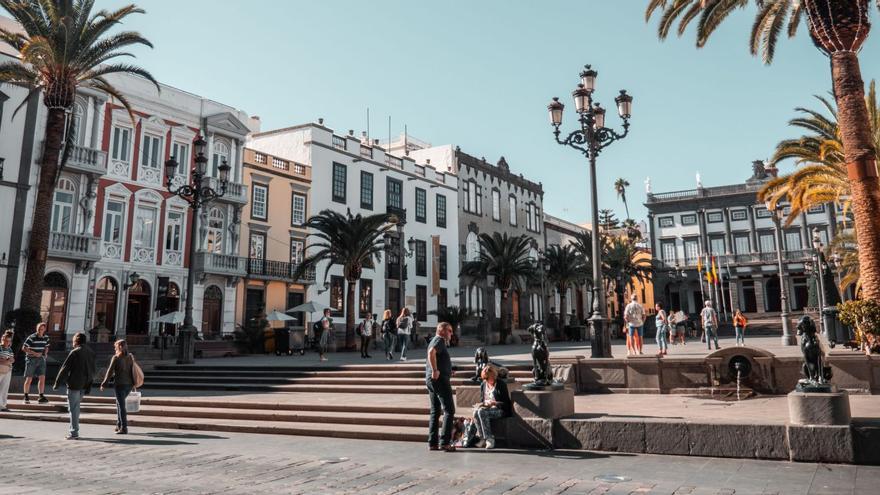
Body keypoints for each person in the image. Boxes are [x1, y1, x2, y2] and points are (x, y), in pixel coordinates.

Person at [53, 333, 95, 439]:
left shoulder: (75, 352)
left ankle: (74, 432)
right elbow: (93, 369)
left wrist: (57, 383)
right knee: (76, 408)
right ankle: (74, 431)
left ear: (76, 341)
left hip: (75, 383)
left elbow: (65, 368)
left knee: (73, 409)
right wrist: (90, 382)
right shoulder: (91, 352)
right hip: (85, 383)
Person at [426, 322, 455, 452]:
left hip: (432, 381)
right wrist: (435, 370)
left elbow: (435, 356)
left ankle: (433, 443)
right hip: (439, 380)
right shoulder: (439, 340)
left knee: (435, 411)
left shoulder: (434, 340)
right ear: (442, 331)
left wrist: (447, 370)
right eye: (450, 330)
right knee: (449, 410)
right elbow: (432, 353)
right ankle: (445, 442)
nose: (451, 333)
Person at [100, 339, 135, 434]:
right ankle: (119, 424)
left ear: (118, 347)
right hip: (129, 385)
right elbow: (133, 371)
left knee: (121, 406)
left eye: (115, 346)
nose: (114, 348)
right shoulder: (130, 357)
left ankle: (124, 427)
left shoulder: (115, 358)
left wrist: (104, 384)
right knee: (119, 404)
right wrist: (134, 384)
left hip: (120, 384)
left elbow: (110, 372)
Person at [473, 364, 511, 449]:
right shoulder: (483, 384)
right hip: (487, 408)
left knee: (481, 412)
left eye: (487, 378)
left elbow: (506, 403)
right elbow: (482, 399)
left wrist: (494, 403)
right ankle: (482, 438)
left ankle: (490, 439)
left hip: (500, 410)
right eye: (484, 378)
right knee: (476, 412)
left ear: (493, 376)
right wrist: (481, 404)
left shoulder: (501, 384)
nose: (486, 380)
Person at [22, 322, 50, 404]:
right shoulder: (32, 337)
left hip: (41, 360)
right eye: (39, 329)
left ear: (44, 329)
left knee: (42, 378)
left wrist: (45, 354)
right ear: (37, 329)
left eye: (42, 329)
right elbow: (24, 348)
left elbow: (47, 346)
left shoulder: (46, 337)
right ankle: (26, 396)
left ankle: (41, 396)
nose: (40, 330)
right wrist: (34, 353)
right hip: (31, 359)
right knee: (29, 378)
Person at [0, 330, 14, 411]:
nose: (7, 342)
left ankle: (3, 406)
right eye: (5, 340)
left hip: (8, 370)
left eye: (8, 341)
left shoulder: (10, 349)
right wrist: (5, 361)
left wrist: (9, 360)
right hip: (1, 369)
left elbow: (13, 359)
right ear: (2, 339)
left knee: (4, 388)